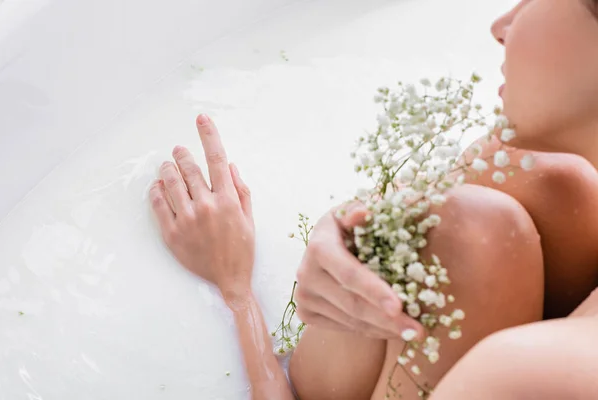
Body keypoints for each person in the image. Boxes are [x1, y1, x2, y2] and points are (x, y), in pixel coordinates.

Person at [149, 0, 598, 398]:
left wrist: (238, 293)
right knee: (501, 204)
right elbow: (449, 212)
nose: (502, 25)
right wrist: (348, 221)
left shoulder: (526, 372)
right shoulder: (548, 165)